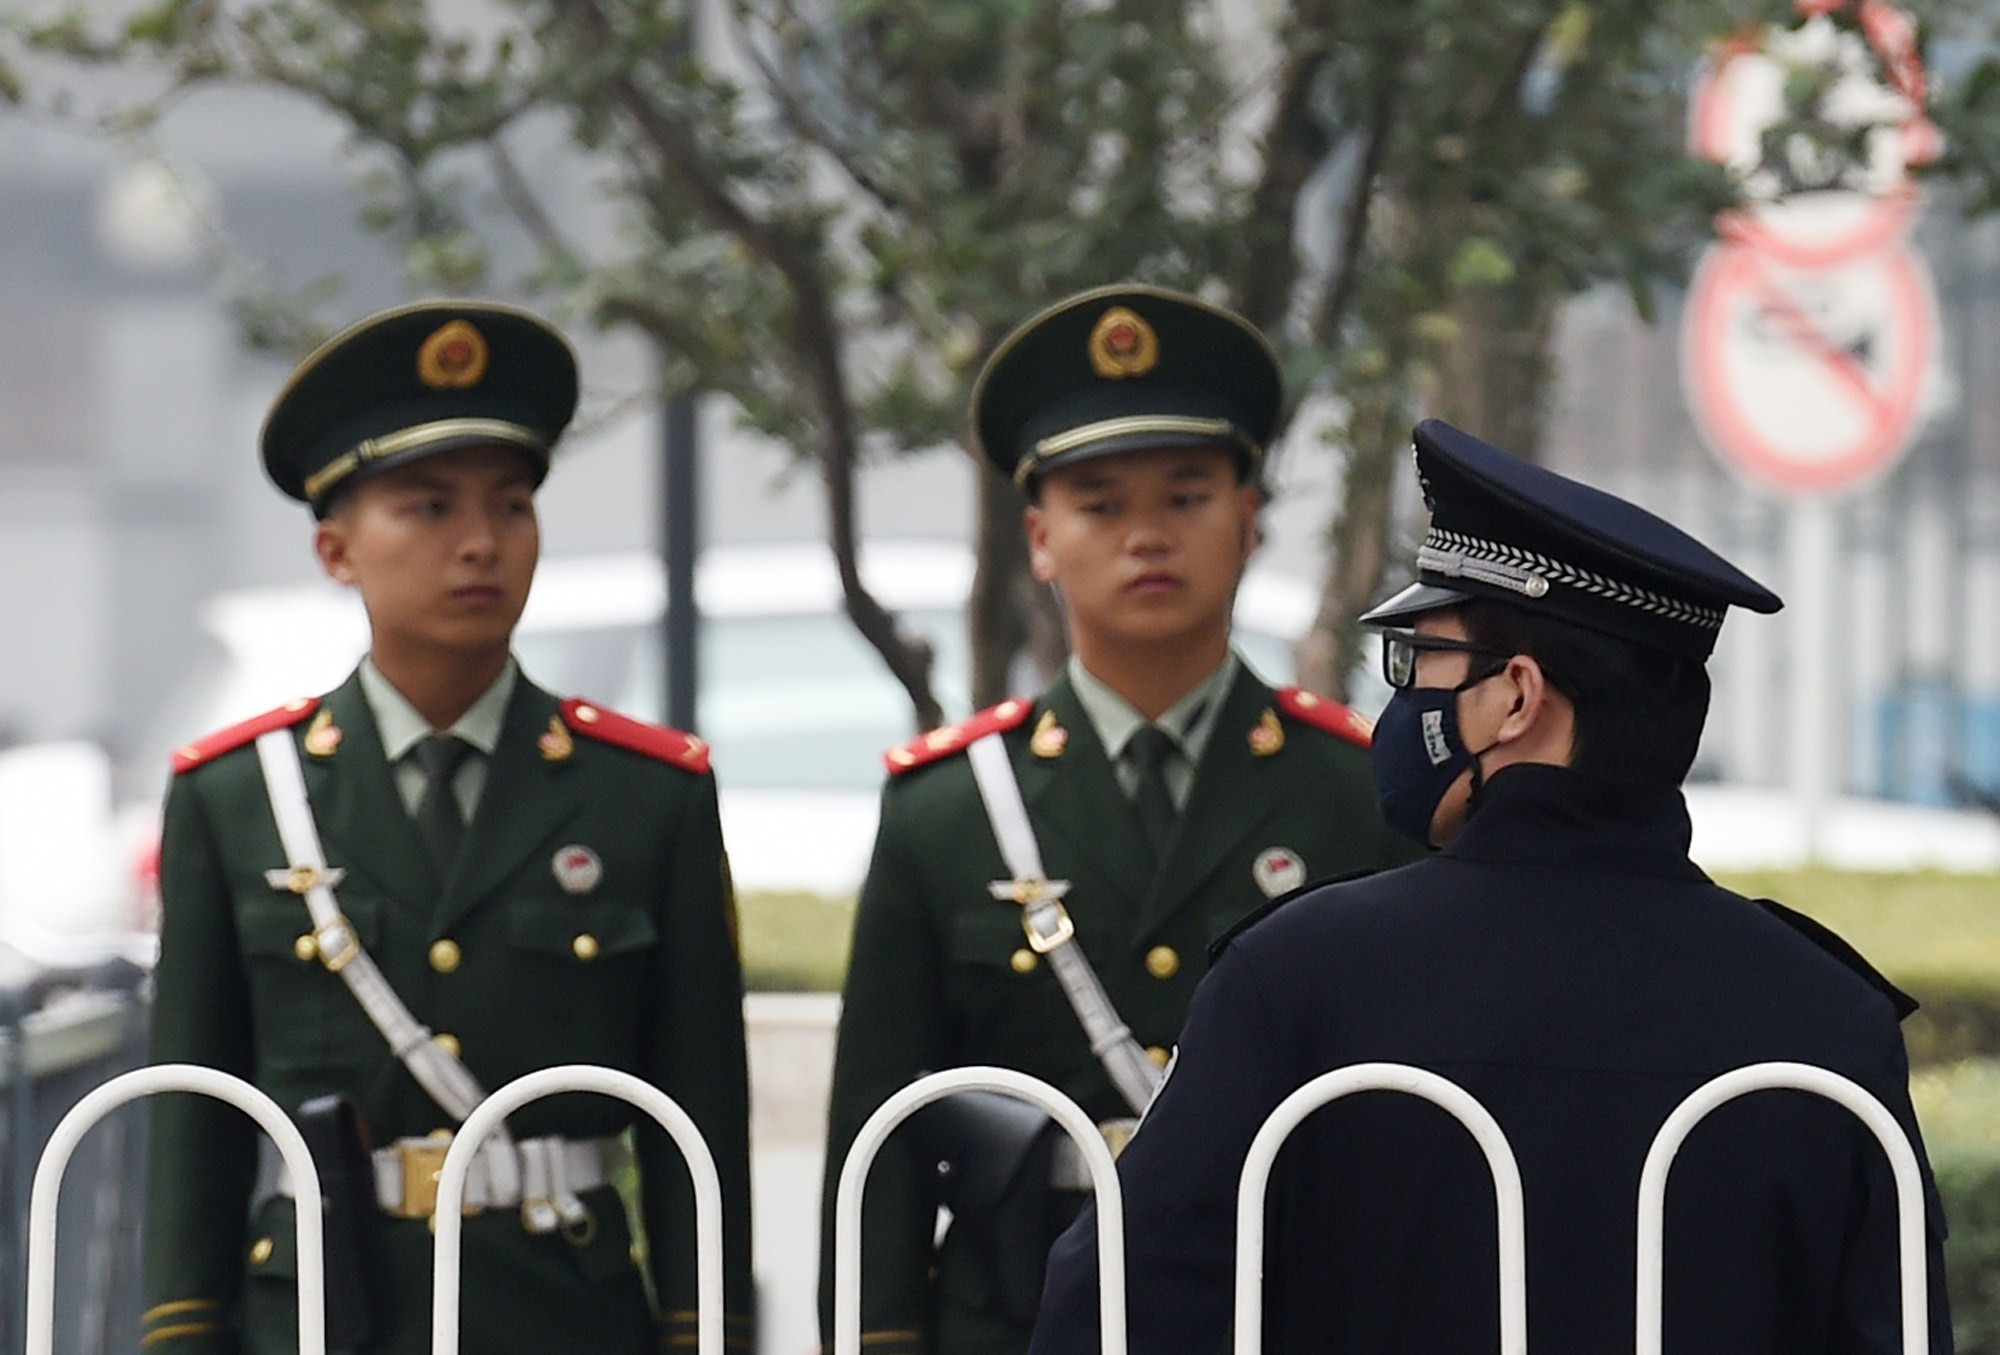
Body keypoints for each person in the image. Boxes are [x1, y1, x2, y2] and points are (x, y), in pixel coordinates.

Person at [1030, 417, 1953, 1354]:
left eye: (1419, 663)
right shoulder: (1826, 1014)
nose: (1400, 704)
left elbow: (1114, 1313)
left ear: (1516, 696)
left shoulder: (1299, 979)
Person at [142, 301, 755, 1355]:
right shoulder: (237, 796)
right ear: (335, 550)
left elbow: (697, 1116)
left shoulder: (646, 794)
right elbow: (192, 1125)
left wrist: (710, 1329)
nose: (480, 543)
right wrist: (183, 1332)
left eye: (511, 506)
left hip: (562, 1311)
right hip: (323, 1313)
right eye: (427, 507)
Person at [817, 284, 1415, 1355]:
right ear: (1039, 538)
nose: (1144, 534)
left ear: (1248, 517)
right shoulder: (947, 809)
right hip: (1013, 1310)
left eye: (1184, 496)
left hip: (1277, 1303)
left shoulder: (1358, 791)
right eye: (1098, 504)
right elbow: (879, 1137)